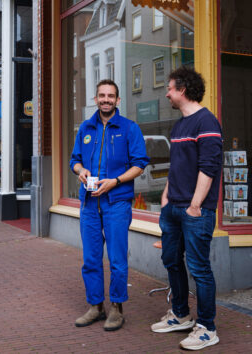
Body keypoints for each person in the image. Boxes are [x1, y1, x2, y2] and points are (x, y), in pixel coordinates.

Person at [151, 67, 223, 351]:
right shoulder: (179, 125)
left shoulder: (207, 122)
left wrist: (195, 206)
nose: (167, 93)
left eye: (169, 88)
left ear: (182, 90)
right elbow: (177, 168)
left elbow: (209, 168)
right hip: (173, 209)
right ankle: (181, 314)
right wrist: (167, 198)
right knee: (171, 260)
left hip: (195, 212)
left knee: (199, 269)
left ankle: (207, 328)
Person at [70, 79, 149, 331]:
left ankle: (116, 307)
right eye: (102, 95)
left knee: (116, 259)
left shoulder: (129, 129)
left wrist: (115, 181)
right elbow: (75, 160)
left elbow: (139, 164)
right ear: (95, 99)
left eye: (111, 95)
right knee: (91, 258)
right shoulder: (85, 128)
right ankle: (95, 306)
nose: (106, 99)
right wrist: (80, 171)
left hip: (117, 203)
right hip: (90, 204)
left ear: (118, 100)